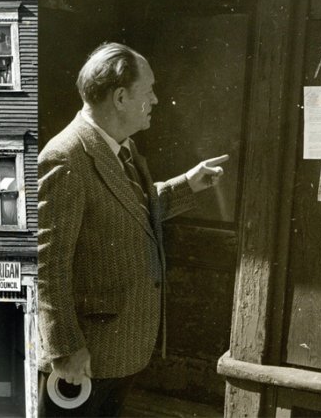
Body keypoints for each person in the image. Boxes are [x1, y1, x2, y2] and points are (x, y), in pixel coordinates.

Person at [37, 42, 227, 417]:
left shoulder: (120, 149)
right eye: (149, 90)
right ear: (121, 97)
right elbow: (47, 266)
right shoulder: (66, 158)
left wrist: (188, 184)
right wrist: (64, 348)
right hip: (84, 361)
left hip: (119, 351)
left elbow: (131, 207)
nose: (155, 100)